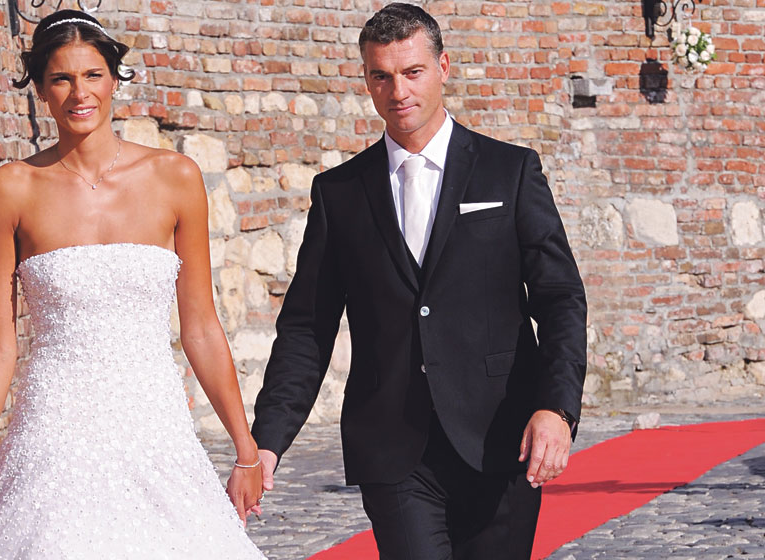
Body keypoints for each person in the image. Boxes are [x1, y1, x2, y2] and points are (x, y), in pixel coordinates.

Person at [251, 3, 588, 558]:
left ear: (443, 67)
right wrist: (267, 440)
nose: (398, 91)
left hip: (502, 436)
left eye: (412, 72)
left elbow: (560, 300)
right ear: (367, 80)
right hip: (393, 449)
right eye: (381, 76)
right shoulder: (339, 193)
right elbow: (307, 327)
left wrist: (557, 409)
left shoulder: (510, 170)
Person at [0, 10, 265, 558]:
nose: (79, 93)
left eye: (92, 75)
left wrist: (245, 449)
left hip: (155, 426)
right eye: (61, 79)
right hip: (53, 431)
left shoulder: (175, 178)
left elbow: (202, 327)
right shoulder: (9, 189)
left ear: (114, 79)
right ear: (41, 89)